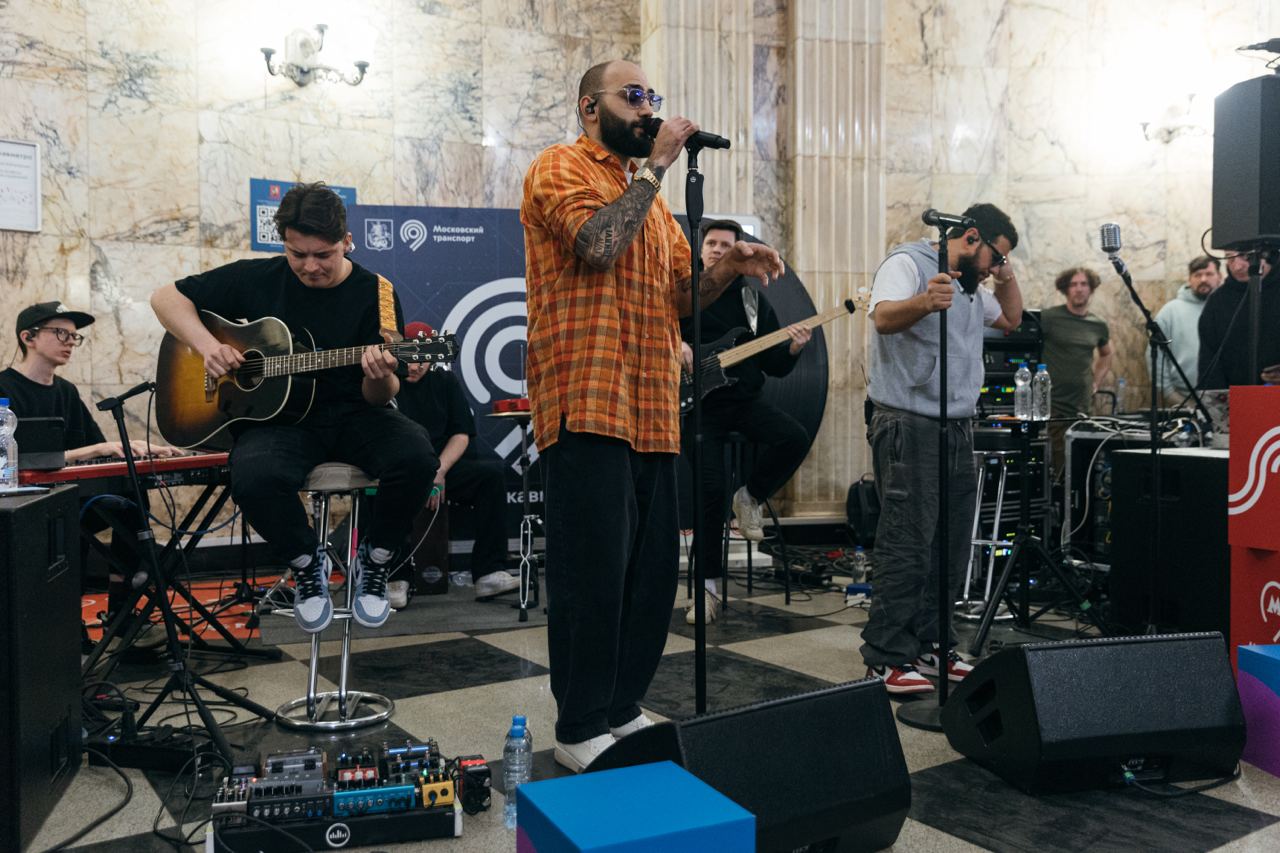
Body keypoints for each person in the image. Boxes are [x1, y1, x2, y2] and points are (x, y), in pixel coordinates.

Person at [522, 59, 784, 771]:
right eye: (633, 96)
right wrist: (658, 167)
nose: (647, 108)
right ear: (590, 107)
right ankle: (579, 723)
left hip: (653, 407)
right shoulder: (560, 167)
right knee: (593, 571)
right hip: (587, 398)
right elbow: (597, 245)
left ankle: (621, 706)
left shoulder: (657, 207)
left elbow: (678, 295)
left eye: (653, 97)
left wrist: (729, 267)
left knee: (649, 572)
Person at [150, 182, 438, 634]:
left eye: (323, 255)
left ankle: (377, 557)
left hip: (355, 413)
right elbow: (165, 298)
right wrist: (207, 346)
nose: (309, 266)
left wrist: (379, 373)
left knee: (417, 457)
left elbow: (379, 397)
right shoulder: (258, 278)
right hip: (280, 423)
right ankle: (307, 563)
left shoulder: (376, 293)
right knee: (252, 476)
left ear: (347, 241)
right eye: (296, 253)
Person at [863, 203, 1023, 694]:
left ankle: (933, 645)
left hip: (956, 426)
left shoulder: (973, 287)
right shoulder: (907, 263)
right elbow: (882, 318)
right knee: (907, 543)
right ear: (971, 238)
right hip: (908, 421)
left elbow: (1012, 318)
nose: (995, 268)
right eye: (995, 256)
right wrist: (924, 302)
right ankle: (885, 656)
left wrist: (1006, 272)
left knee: (950, 546)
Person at [1, 302, 178, 631]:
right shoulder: (4, 389)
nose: (70, 341)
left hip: (70, 499)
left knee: (130, 497)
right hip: (24, 507)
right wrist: (96, 449)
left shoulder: (66, 391)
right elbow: (14, 460)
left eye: (74, 336)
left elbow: (99, 452)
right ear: (28, 337)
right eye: (61, 333)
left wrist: (134, 451)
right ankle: (68, 628)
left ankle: (122, 607)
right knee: (69, 526)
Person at [678, 219, 811, 624]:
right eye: (712, 244)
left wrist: (792, 348)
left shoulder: (753, 301)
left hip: (744, 401)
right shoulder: (684, 292)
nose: (718, 250)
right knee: (710, 492)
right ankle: (707, 591)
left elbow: (773, 365)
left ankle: (750, 496)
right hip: (698, 408)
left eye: (726, 245)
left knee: (793, 437)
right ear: (701, 249)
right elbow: (655, 326)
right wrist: (674, 342)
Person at [394, 321, 520, 600]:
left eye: (422, 359)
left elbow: (460, 435)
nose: (415, 366)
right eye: (410, 358)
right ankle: (395, 577)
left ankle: (488, 572)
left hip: (441, 466)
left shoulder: (445, 382)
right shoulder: (388, 385)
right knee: (378, 488)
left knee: (490, 477)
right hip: (403, 469)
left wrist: (438, 471)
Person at [1039, 267, 1112, 472]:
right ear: (1065, 289)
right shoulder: (1049, 318)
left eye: (1083, 284)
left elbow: (1106, 354)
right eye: (1073, 284)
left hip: (1083, 406)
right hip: (1054, 405)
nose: (1079, 289)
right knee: (1059, 465)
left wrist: (1096, 382)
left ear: (1091, 288)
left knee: (1083, 464)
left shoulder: (1098, 324)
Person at [1197, 250, 1280, 389]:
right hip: (1234, 397)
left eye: (1245, 256)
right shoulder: (1217, 301)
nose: (1237, 267)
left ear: (1267, 254)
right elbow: (1209, 361)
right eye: (1229, 258)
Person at [1150, 255, 1221, 401]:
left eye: (1209, 274)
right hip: (1184, 399)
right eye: (1197, 275)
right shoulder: (1170, 312)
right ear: (1189, 279)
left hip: (1226, 397)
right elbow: (1155, 355)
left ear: (1219, 277)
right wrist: (1171, 394)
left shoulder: (1230, 308)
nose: (1203, 279)